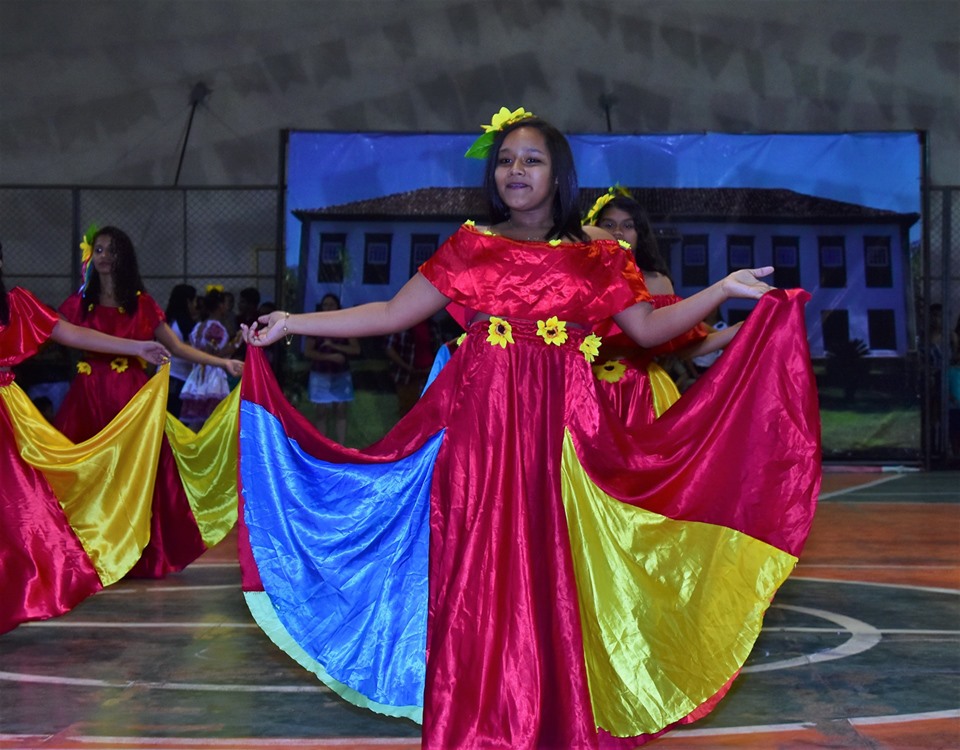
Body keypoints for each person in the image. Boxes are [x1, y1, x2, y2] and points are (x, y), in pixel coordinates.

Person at [238, 109, 820, 748]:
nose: (516, 170)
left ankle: (552, 725)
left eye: (532, 159)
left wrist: (721, 290)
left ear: (559, 174)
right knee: (473, 580)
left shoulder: (598, 258)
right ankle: (470, 730)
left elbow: (652, 331)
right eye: (507, 159)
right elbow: (390, 312)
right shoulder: (471, 247)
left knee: (555, 581)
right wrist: (293, 322)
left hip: (563, 445)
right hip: (479, 443)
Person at [0, 240, 171, 633]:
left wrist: (137, 346)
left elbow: (72, 334)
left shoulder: (16, 304)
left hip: (8, 418)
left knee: (23, 512)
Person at [55, 226, 243, 578]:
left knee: (140, 475)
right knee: (87, 475)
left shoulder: (142, 304)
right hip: (88, 400)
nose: (105, 257)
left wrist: (223, 362)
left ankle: (136, 554)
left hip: (131, 402)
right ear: (90, 257)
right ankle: (89, 554)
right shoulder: (78, 303)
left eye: (112, 251)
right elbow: (47, 331)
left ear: (124, 257)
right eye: (99, 250)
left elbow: (177, 347)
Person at [588, 190, 742, 423]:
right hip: (586, 390)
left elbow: (680, 346)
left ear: (640, 233)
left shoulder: (658, 283)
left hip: (643, 392)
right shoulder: (581, 279)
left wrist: (737, 331)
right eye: (609, 224)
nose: (618, 232)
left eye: (628, 226)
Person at [180, 287, 240, 431]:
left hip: (198, 374)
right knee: (211, 419)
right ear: (220, 306)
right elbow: (213, 355)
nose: (227, 307)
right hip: (212, 376)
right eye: (225, 303)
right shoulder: (215, 327)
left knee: (202, 420)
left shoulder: (200, 325)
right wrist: (237, 342)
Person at [303, 293, 360, 443]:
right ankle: (322, 446)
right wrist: (330, 357)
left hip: (341, 373)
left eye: (331, 304)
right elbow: (308, 351)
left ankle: (340, 446)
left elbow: (356, 349)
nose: (328, 307)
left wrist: (334, 346)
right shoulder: (315, 325)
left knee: (341, 410)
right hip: (320, 373)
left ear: (338, 307)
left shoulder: (346, 325)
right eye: (325, 305)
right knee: (321, 412)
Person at [384, 317, 440, 418]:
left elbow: (438, 346)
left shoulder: (431, 325)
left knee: (428, 410)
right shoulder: (401, 325)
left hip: (429, 373)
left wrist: (433, 367)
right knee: (407, 411)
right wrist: (406, 367)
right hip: (406, 375)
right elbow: (389, 348)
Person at [164, 283, 199, 417]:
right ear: (188, 302)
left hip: (166, 375)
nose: (196, 305)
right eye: (195, 300)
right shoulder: (185, 324)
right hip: (179, 378)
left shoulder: (166, 321)